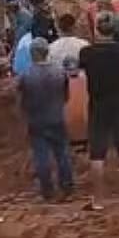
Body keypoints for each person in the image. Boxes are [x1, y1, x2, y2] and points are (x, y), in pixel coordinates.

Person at [79, 12, 119, 210]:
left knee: (97, 153)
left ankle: (98, 200)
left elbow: (81, 72)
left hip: (98, 103)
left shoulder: (86, 53)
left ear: (96, 28)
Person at [17, 37, 73, 202]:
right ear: (47, 52)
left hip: (36, 119)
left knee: (41, 155)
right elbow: (66, 96)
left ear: (32, 53)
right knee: (62, 153)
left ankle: (47, 191)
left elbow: (22, 100)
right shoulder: (60, 72)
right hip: (56, 117)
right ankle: (67, 187)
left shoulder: (26, 75)